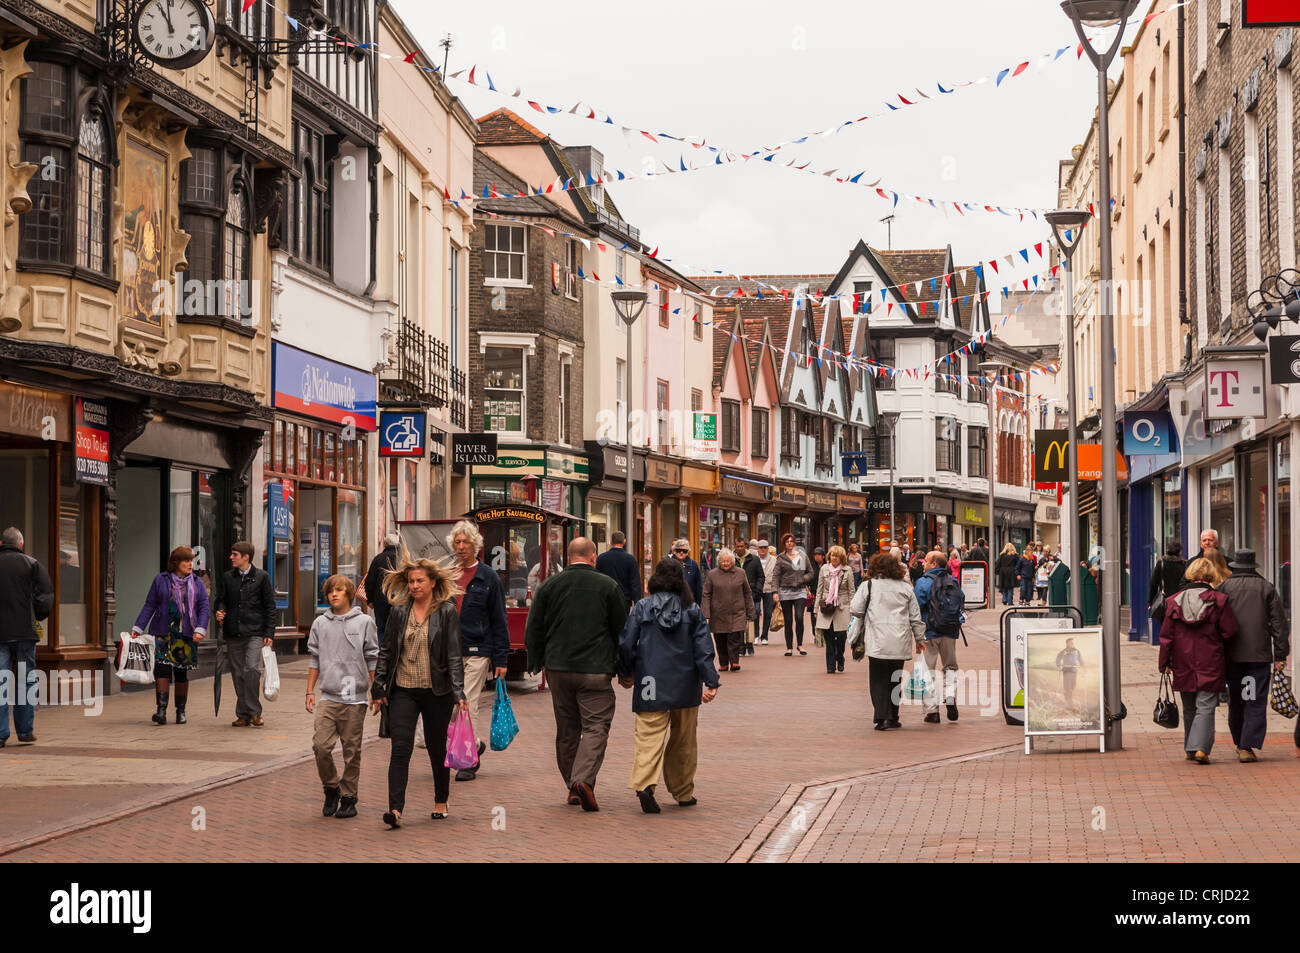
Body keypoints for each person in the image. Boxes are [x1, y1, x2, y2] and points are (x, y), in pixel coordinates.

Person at [525, 537, 628, 812]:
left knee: (567, 729)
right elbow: (623, 632)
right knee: (596, 726)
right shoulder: (608, 587)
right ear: (593, 557)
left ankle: (572, 784)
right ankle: (582, 780)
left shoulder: (549, 586)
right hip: (595, 669)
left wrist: (536, 662)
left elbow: (533, 627)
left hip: (558, 669)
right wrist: (626, 670)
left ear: (569, 557)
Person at [370, 554, 467, 829]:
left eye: (419, 581)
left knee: (437, 749)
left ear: (433, 582)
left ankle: (441, 799)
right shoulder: (399, 611)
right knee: (401, 747)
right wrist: (379, 687)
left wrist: (459, 693)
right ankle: (395, 810)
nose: (414, 586)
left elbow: (453, 655)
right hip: (404, 690)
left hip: (437, 691)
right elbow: (386, 651)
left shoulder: (446, 611)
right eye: (411, 581)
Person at [617, 557, 720, 814]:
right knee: (684, 739)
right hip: (685, 682)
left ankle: (645, 783)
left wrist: (625, 672)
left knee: (649, 736)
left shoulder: (642, 607)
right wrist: (711, 681)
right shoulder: (692, 610)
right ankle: (683, 791)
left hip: (650, 680)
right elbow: (703, 649)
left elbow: (627, 643)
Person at [307, 574, 378, 820]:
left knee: (352, 750)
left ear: (348, 593)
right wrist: (309, 691)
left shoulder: (364, 622)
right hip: (329, 694)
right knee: (321, 746)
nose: (334, 594)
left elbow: (372, 656)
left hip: (355, 696)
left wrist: (376, 691)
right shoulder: (320, 623)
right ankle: (331, 788)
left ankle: (349, 798)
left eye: (339, 590)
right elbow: (314, 657)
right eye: (330, 591)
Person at [1157, 557, 1238, 764]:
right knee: (1206, 706)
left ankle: (1190, 748)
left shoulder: (1174, 602)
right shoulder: (1218, 601)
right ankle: (1200, 748)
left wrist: (1164, 663)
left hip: (1183, 661)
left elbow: (1166, 636)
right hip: (1210, 659)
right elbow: (1230, 630)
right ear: (1210, 575)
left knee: (1190, 707)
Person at [447, 520, 509, 781]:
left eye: (466, 543)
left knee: (467, 703)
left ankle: (467, 761)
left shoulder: (488, 577)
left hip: (477, 649)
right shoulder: (447, 574)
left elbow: (499, 619)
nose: (461, 547)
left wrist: (501, 658)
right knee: (450, 706)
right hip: (449, 650)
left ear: (476, 545)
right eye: (457, 543)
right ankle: (477, 743)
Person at [1217, 550, 1290, 763]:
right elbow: (1279, 624)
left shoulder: (1224, 588)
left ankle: (1241, 742)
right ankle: (1247, 745)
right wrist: (1281, 654)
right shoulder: (1266, 587)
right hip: (1258, 657)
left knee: (1237, 700)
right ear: (1253, 566)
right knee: (1254, 700)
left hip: (1232, 656)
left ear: (1235, 566)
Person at [134, 546, 210, 726]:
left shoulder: (197, 582)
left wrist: (200, 629)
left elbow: (204, 607)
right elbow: (150, 604)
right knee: (161, 670)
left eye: (191, 561)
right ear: (176, 563)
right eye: (186, 561)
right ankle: (161, 711)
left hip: (186, 633)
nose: (190, 564)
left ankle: (180, 711)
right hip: (163, 632)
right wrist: (138, 627)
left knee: (181, 672)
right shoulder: (161, 580)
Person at [851, 552, 924, 730]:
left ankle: (882, 716)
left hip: (877, 639)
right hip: (899, 640)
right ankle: (893, 716)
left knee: (878, 679)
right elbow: (915, 616)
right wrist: (920, 638)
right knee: (895, 679)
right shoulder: (906, 588)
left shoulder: (868, 585)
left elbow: (855, 609)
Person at [0, 527, 53, 747]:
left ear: (2, 544)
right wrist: (38, 616)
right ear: (21, 545)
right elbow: (45, 596)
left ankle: (1, 734)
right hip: (24, 632)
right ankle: (25, 730)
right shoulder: (32, 564)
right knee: (26, 680)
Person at [214, 541, 275, 728]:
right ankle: (244, 714)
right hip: (233, 632)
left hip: (255, 632)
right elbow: (221, 600)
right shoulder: (227, 577)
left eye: (234, 555)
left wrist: (269, 632)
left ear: (246, 557)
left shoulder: (261, 577)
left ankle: (255, 712)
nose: (231, 557)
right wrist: (220, 611)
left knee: (251, 670)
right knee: (238, 673)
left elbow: (270, 606)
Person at [914, 551, 964, 723]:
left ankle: (932, 711)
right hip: (950, 631)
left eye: (926, 561)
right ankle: (950, 696)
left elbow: (917, 606)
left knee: (927, 671)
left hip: (929, 631)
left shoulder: (923, 582)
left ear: (934, 564)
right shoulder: (954, 581)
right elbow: (961, 601)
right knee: (950, 666)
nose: (923, 564)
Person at [701, 548, 753, 673]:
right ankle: (723, 663)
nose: (725, 563)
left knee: (734, 638)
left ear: (732, 561)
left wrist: (750, 612)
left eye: (728, 561)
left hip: (737, 612)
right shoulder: (712, 574)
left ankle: (734, 662)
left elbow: (747, 593)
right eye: (723, 561)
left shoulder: (741, 573)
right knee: (720, 639)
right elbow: (706, 594)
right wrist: (706, 613)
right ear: (719, 562)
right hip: (718, 613)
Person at [772, 533, 814, 657]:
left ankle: (800, 644)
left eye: (791, 541)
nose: (789, 543)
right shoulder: (780, 558)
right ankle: (789, 647)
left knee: (799, 617)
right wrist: (775, 592)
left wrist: (802, 578)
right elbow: (775, 576)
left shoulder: (802, 556)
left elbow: (811, 572)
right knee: (788, 620)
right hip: (785, 591)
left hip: (800, 590)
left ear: (794, 543)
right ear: (784, 544)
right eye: (787, 542)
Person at [814, 545, 854, 674]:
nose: (834, 558)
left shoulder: (848, 570)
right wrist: (816, 609)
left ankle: (840, 657)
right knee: (829, 637)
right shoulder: (824, 569)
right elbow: (819, 590)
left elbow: (851, 591)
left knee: (841, 636)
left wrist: (853, 610)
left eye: (836, 556)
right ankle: (830, 666)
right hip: (827, 606)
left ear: (841, 557)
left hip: (842, 607)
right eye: (832, 555)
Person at [361, 533, 400, 639]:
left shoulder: (378, 558)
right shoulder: (402, 558)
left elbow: (370, 581)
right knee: (397, 628)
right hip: (398, 599)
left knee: (381, 628)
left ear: (385, 543)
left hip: (380, 600)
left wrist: (370, 600)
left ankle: (383, 653)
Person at [596, 530, 642, 610]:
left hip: (605, 598)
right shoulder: (630, 559)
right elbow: (635, 582)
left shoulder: (601, 558)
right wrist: (637, 601)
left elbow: (596, 578)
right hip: (624, 599)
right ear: (624, 541)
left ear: (611, 541)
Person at [745, 539, 773, 651]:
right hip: (756, 589)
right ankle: (756, 635)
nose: (763, 549)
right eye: (761, 547)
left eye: (765, 547)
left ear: (768, 548)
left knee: (768, 612)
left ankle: (764, 635)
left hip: (769, 589)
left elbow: (776, 575)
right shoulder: (753, 559)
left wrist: (776, 591)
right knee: (755, 611)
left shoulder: (773, 560)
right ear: (757, 549)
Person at [1149, 541, 1188, 620]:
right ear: (1180, 552)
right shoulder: (1184, 564)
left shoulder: (1161, 563)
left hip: (1165, 602)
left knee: (1165, 627)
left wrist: (1151, 601)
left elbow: (1153, 583)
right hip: (1180, 602)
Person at [669, 539, 703, 607]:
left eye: (684, 551)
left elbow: (698, 587)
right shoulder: (668, 564)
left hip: (689, 604)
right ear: (674, 551)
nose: (681, 552)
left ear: (687, 552)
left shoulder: (693, 565)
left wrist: (698, 606)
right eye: (679, 550)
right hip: (671, 604)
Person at [1055, 637, 1083, 709]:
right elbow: (1058, 657)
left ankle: (1068, 696)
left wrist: (1082, 664)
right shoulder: (1064, 651)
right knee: (1068, 687)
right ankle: (1069, 702)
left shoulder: (1076, 651)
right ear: (1067, 643)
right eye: (1071, 643)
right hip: (1066, 671)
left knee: (1073, 685)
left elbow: (1080, 659)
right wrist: (1058, 665)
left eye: (1073, 643)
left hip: (1074, 670)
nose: (1072, 644)